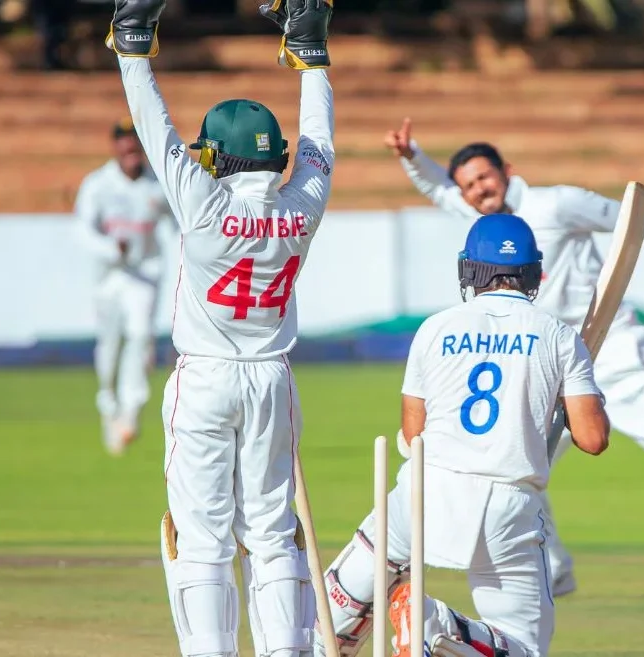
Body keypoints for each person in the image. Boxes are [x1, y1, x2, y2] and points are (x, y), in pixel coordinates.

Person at [385, 118, 644, 593]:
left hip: (610, 348)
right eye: (469, 185)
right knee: (516, 462)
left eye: (484, 178)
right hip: (539, 360)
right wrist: (413, 157)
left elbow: (633, 220)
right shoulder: (479, 220)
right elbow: (437, 186)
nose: (477, 190)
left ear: (506, 171)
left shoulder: (557, 202)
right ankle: (552, 565)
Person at [104, 0, 335, 655]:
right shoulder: (303, 207)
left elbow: (155, 129)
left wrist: (131, 46)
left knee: (202, 535)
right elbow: (319, 146)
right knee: (270, 529)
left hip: (204, 379)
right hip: (272, 381)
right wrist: (311, 56)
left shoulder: (201, 204)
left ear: (215, 157)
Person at [316, 214, 610, 657]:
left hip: (422, 491)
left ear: (469, 270)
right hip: (506, 503)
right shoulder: (559, 337)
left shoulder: (435, 328)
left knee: (354, 584)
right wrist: (572, 409)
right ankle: (439, 625)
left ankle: (322, 638)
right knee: (523, 647)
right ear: (534, 273)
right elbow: (592, 438)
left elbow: (413, 432)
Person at [75, 117, 177, 456]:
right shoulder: (98, 184)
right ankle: (109, 404)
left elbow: (179, 224)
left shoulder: (155, 185)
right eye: (124, 141)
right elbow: (83, 231)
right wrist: (109, 248)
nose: (130, 148)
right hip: (109, 277)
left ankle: (130, 413)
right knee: (110, 346)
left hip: (145, 273)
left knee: (140, 336)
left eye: (134, 141)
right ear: (116, 146)